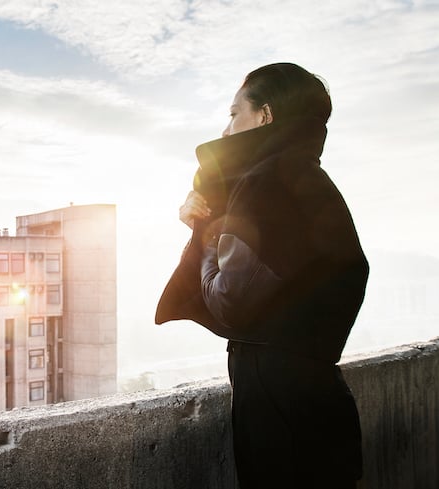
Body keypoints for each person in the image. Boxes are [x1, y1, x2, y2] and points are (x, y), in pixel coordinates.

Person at [155, 63, 369, 489]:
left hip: (279, 407)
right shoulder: (307, 179)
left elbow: (228, 300)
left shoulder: (264, 183)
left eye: (235, 114)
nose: (227, 128)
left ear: (265, 116)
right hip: (315, 394)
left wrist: (206, 236)